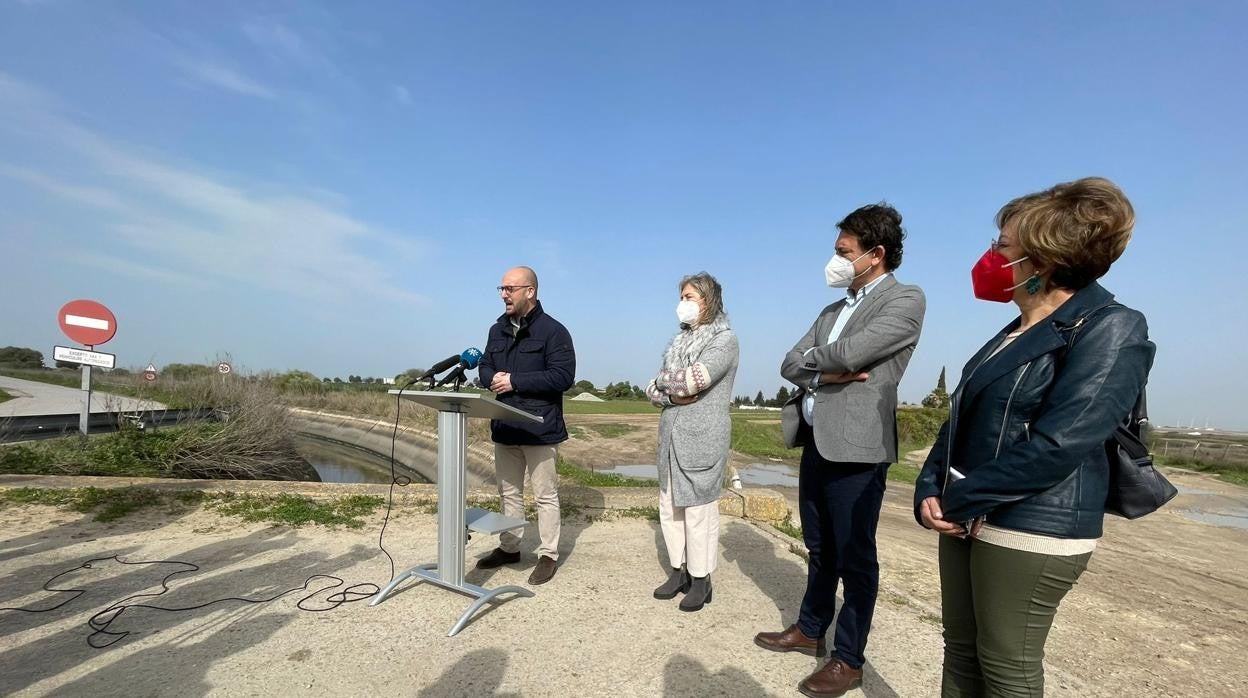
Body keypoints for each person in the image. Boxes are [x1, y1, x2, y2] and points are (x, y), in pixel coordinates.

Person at [914, 177, 1153, 696]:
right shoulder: (1014, 330)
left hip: (1031, 524)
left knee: (1006, 668)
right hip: (965, 515)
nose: (990, 257)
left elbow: (1059, 445)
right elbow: (960, 421)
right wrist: (928, 487)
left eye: (1002, 246)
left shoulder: (1112, 327)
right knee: (959, 654)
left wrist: (956, 498)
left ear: (1040, 259)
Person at [755, 204, 926, 698]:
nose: (836, 261)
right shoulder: (832, 311)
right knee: (819, 546)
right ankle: (810, 629)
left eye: (844, 252)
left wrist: (822, 362)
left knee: (855, 556)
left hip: (857, 447)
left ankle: (848, 658)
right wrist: (822, 372)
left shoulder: (905, 299)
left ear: (875, 254)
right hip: (816, 443)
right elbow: (790, 363)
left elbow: (853, 353)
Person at [476, 265, 576, 586]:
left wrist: (515, 381)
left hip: (539, 429)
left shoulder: (554, 331)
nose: (504, 294)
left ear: (529, 292)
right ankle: (509, 548)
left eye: (510, 289)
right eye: (501, 289)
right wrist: (491, 377)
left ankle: (548, 555)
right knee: (509, 493)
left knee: (545, 495)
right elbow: (486, 365)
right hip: (505, 427)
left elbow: (562, 377)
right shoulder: (497, 330)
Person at [645, 272, 739, 612]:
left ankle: (702, 580)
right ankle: (678, 571)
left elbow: (694, 381)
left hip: (702, 438)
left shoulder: (724, 341)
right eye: (682, 296)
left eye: (690, 297)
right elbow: (653, 392)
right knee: (669, 508)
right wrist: (668, 394)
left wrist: (664, 384)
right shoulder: (677, 343)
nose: (683, 304)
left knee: (699, 511)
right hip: (670, 436)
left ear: (708, 302)